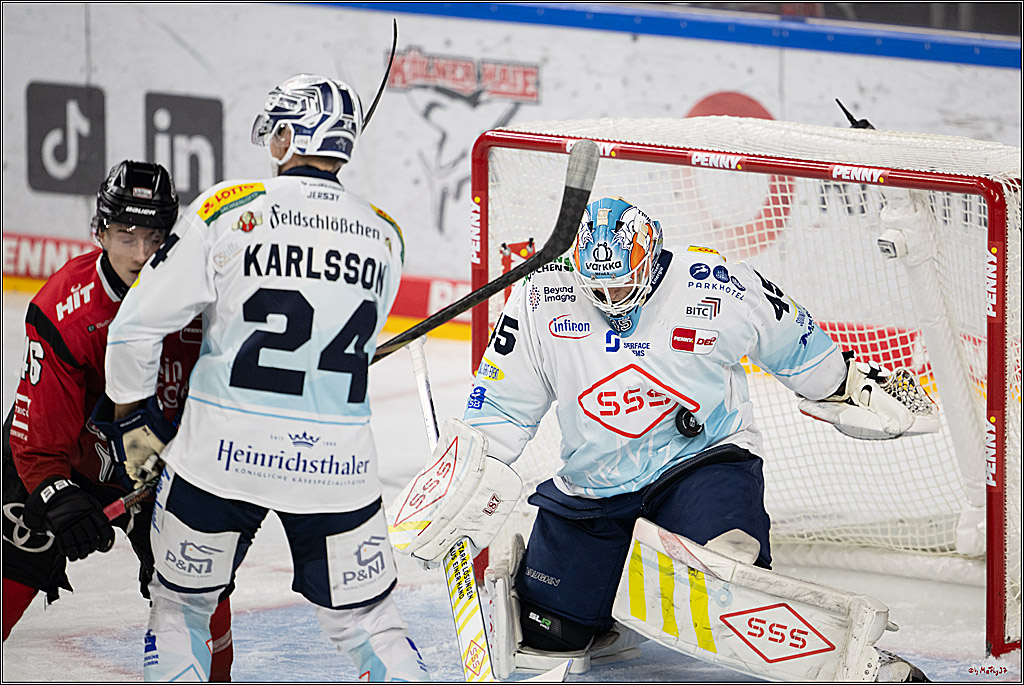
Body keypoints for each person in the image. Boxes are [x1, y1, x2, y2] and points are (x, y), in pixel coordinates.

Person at [394, 196, 932, 681]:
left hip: (699, 463)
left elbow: (795, 341)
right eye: (597, 288)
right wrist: (462, 480)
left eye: (621, 284)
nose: (610, 299)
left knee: (727, 575)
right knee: (551, 633)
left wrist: (846, 385)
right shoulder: (541, 297)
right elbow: (501, 407)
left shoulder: (717, 284)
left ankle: (855, 661)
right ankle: (604, 607)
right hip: (595, 486)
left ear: (649, 261)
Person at [95, 74, 429, 682]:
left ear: (286, 138)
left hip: (221, 457)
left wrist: (133, 431)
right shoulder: (386, 234)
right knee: (371, 623)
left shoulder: (227, 209)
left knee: (181, 611)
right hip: (337, 468)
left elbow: (134, 328)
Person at [2, 160, 235, 680]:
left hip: (163, 470)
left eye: (154, 237)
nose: (140, 254)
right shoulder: (66, 308)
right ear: (100, 232)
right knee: (10, 575)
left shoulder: (206, 302)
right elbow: (38, 442)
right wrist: (57, 496)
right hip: (68, 462)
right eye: (126, 236)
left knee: (202, 599)